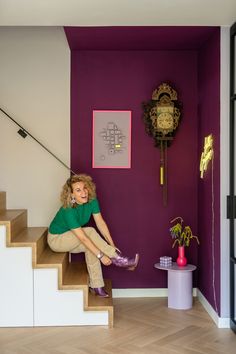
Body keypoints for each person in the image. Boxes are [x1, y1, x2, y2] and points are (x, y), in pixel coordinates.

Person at [47, 174, 139, 298]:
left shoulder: (92, 200)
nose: (84, 192)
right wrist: (101, 256)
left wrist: (112, 245)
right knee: (89, 232)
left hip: (74, 238)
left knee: (91, 247)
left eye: (85, 188)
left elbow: (100, 223)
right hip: (58, 239)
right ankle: (119, 259)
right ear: (72, 194)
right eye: (78, 190)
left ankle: (97, 286)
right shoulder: (68, 210)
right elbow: (83, 237)